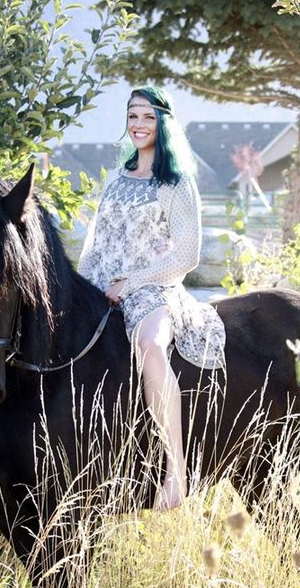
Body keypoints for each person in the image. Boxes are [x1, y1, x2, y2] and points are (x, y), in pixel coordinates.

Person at [77, 85, 226, 511]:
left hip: (151, 289)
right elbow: (95, 244)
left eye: (148, 116)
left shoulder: (176, 183)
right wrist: (83, 286)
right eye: (133, 116)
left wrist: (132, 282)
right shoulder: (115, 178)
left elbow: (187, 255)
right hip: (101, 287)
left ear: (164, 123)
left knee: (151, 348)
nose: (139, 124)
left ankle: (176, 473)